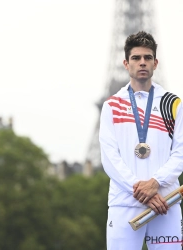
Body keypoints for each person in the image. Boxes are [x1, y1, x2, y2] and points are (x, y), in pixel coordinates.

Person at [99, 31, 183, 250]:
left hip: (166, 202)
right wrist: (140, 190)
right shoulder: (111, 105)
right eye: (136, 58)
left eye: (147, 58)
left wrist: (155, 183)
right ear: (126, 64)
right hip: (125, 203)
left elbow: (181, 153)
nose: (142, 62)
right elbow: (109, 157)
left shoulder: (173, 104)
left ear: (155, 63)